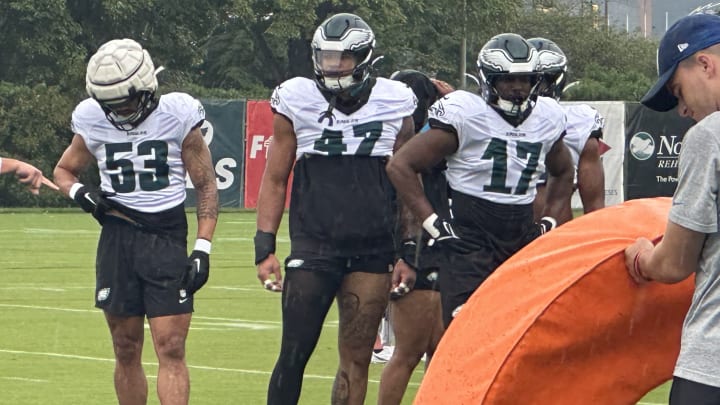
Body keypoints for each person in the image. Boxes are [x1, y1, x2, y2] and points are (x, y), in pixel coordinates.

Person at [253, 13, 417, 405]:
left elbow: (410, 179)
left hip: (373, 246)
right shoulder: (297, 97)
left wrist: (407, 249)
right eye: (326, 56)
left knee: (357, 358)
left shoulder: (395, 101)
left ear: (363, 57)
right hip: (314, 245)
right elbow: (275, 178)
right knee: (293, 354)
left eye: (343, 57)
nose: (333, 65)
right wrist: (264, 245)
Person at [53, 38, 218, 405]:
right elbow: (64, 170)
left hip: (165, 236)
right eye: (110, 104)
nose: (120, 110)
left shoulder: (177, 114)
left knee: (171, 346)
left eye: (125, 100)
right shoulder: (92, 118)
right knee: (125, 347)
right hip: (117, 236)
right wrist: (80, 193)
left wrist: (202, 248)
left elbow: (206, 185)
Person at [386, 33, 575, 328]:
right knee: (466, 334)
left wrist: (549, 221)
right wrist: (433, 223)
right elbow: (400, 166)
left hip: (521, 236)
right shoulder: (467, 113)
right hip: (470, 239)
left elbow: (563, 172)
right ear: (488, 80)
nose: (517, 88)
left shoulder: (547, 117)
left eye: (524, 79)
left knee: (516, 335)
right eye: (507, 80)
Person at [624, 13, 720, 404]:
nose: (682, 109)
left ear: (706, 64)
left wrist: (642, 257)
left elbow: (675, 263)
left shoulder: (709, 136)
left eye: (678, 92)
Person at [377, 70, 450, 405]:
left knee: (442, 350)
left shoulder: (434, 137)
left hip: (444, 245)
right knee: (409, 353)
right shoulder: (400, 144)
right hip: (414, 249)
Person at [528, 37, 607, 223]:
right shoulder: (491, 122)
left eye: (537, 82)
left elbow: (595, 211)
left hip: (556, 239)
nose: (524, 87)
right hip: (501, 240)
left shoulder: (578, 125)